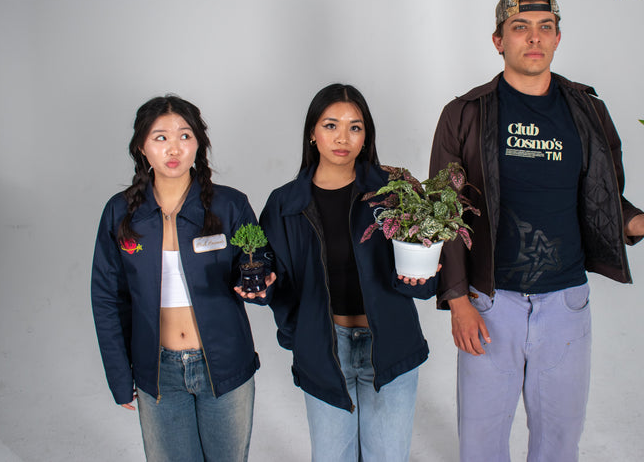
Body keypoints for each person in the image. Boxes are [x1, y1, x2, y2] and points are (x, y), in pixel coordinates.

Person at [429, 0, 644, 462]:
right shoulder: (465, 114)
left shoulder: (588, 111)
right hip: (489, 304)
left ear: (558, 38)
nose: (533, 39)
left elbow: (604, 203)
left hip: (565, 305)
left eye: (545, 27)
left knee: (559, 441)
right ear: (498, 40)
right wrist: (457, 300)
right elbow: (444, 213)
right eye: (520, 28)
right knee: (480, 443)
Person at [240, 84, 436, 462]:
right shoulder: (285, 203)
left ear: (367, 136)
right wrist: (297, 332)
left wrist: (423, 278)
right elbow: (275, 279)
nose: (342, 138)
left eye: (355, 127)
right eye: (331, 125)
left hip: (390, 344)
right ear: (312, 133)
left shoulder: (392, 192)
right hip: (325, 347)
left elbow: (423, 273)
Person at [91, 96, 272, 461]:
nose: (174, 147)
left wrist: (261, 283)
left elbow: (259, 262)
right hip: (158, 370)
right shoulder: (121, 213)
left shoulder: (229, 205)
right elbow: (107, 298)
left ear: (198, 144)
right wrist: (118, 376)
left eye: (185, 136)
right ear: (141, 148)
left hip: (224, 363)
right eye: (160, 137)